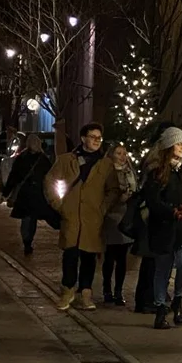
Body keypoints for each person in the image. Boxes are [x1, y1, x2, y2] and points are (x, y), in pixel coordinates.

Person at [44, 123, 119, 312]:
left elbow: (113, 190)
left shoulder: (106, 164)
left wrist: (102, 208)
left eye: (99, 138)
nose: (96, 141)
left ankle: (85, 292)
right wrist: (59, 204)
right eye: (92, 137)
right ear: (83, 138)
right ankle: (67, 290)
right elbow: (50, 181)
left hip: (93, 218)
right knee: (70, 254)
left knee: (88, 256)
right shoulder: (66, 160)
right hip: (72, 216)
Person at [142, 127, 182, 330]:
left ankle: (178, 300)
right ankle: (160, 307)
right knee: (162, 268)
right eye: (178, 144)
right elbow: (152, 199)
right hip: (164, 227)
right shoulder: (157, 170)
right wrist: (171, 211)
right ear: (169, 145)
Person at [133, 121, 177, 314]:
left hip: (155, 216)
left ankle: (148, 298)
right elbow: (152, 193)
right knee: (153, 260)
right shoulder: (157, 164)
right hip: (153, 217)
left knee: (153, 260)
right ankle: (147, 300)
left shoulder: (155, 158)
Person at [1, 134, 52, 256]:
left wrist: (5, 193)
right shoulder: (43, 159)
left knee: (27, 219)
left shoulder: (24, 158)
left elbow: (13, 177)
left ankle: (27, 241)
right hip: (34, 193)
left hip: (27, 194)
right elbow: (49, 177)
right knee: (30, 219)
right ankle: (28, 241)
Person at [102, 143, 138, 306]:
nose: (123, 156)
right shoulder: (106, 172)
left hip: (125, 218)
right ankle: (107, 289)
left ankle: (118, 290)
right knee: (110, 256)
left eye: (124, 153)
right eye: (119, 153)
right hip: (111, 217)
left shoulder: (130, 172)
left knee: (122, 258)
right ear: (111, 155)